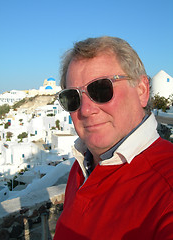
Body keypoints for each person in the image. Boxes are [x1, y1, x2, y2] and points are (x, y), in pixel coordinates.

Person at [53, 36, 173, 240]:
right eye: (73, 97)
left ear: (142, 90)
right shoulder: (83, 164)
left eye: (101, 89)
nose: (86, 110)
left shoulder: (166, 186)